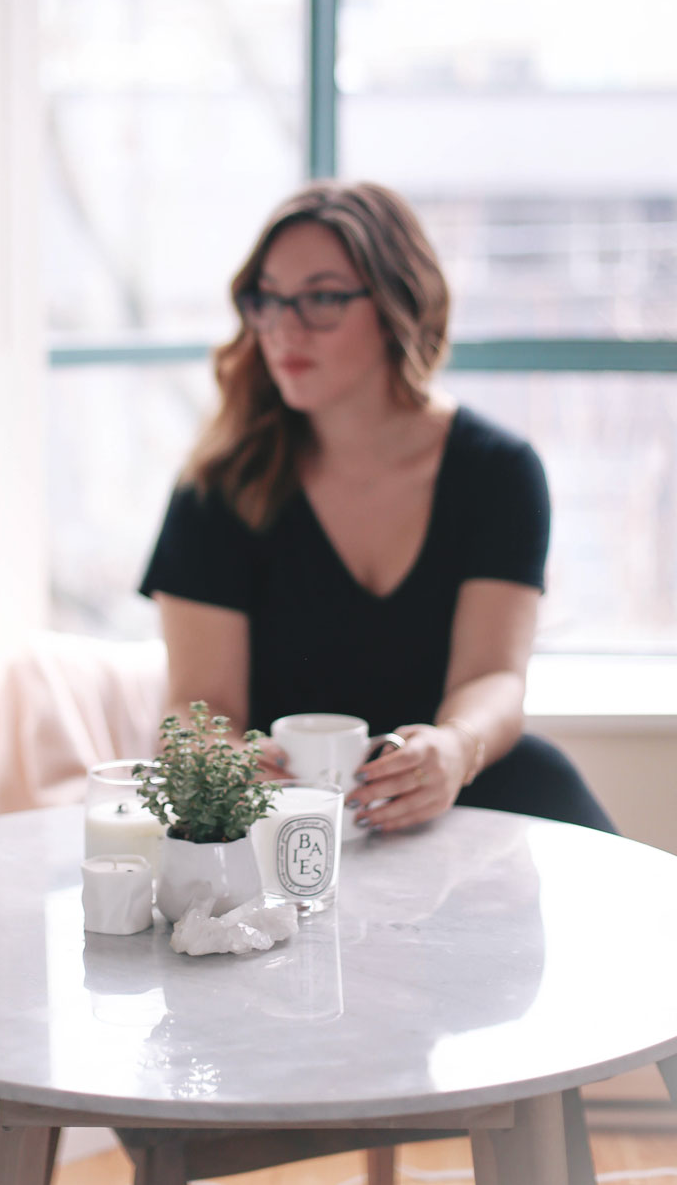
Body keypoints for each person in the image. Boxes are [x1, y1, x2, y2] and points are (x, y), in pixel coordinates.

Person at [139, 182, 615, 835]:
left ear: (399, 305)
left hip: (480, 802)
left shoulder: (499, 472)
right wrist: (227, 763)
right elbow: (200, 708)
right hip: (289, 825)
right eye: (268, 300)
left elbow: (495, 679)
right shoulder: (219, 487)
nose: (284, 327)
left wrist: (455, 749)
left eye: (323, 298)